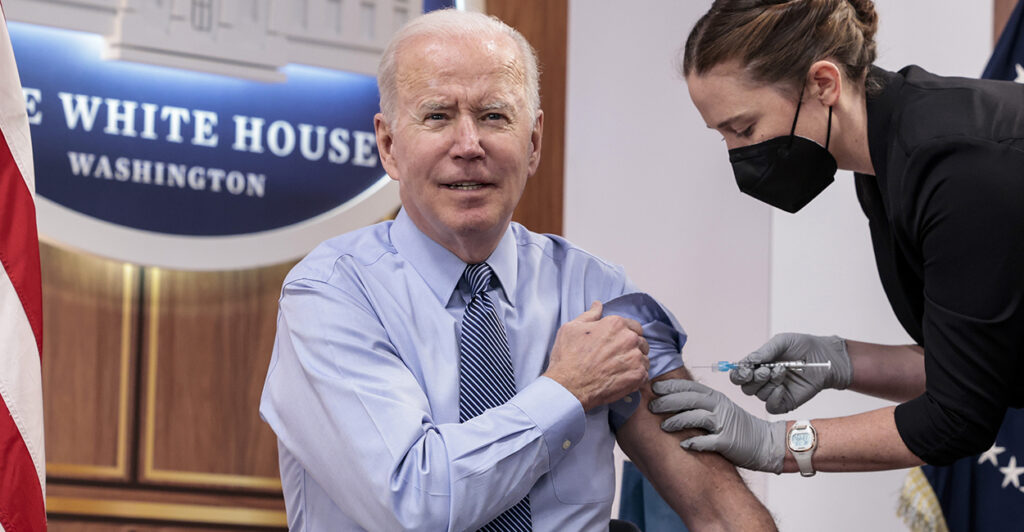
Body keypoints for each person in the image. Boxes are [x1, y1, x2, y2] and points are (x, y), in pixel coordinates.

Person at [259, 8, 775, 531]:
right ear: (389, 145)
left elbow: (717, 509)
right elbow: (415, 503)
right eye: (437, 115)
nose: (468, 146)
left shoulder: (599, 293)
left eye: (494, 116)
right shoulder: (331, 295)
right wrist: (566, 392)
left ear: (533, 142)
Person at [651, 0, 1024, 478]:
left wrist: (774, 442)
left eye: (743, 129)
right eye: (721, 135)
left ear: (823, 83)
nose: (736, 154)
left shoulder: (955, 168)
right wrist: (838, 362)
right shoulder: (889, 153)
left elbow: (959, 416)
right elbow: (974, 364)